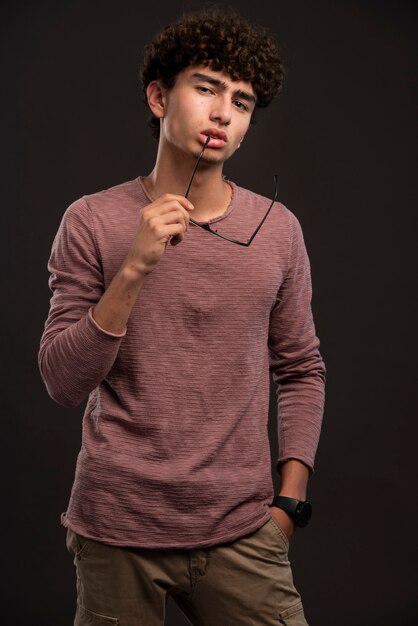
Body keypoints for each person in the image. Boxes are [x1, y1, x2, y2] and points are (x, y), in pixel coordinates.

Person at [39, 8, 325, 626]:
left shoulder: (277, 231)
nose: (224, 112)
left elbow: (301, 368)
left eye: (242, 101)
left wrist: (290, 502)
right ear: (158, 95)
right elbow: (62, 383)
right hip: (116, 529)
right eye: (207, 88)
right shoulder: (91, 220)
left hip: (244, 529)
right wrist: (134, 268)